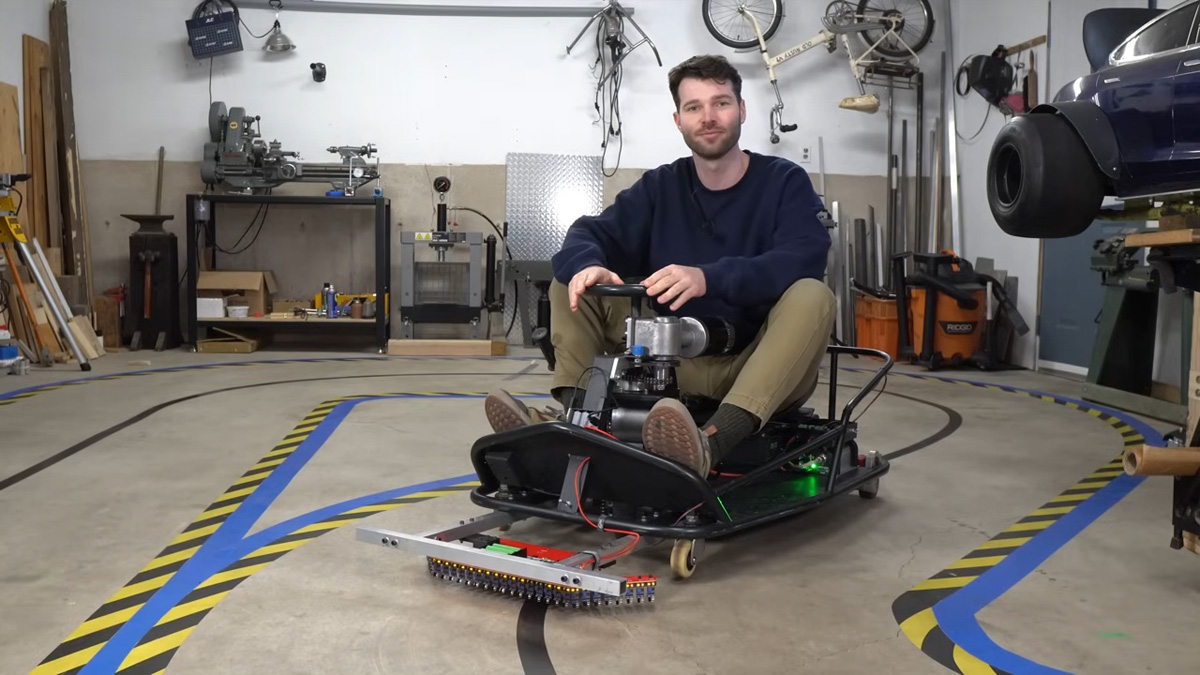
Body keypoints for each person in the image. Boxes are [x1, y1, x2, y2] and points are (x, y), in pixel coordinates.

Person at [484, 54, 836, 477]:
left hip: (756, 364)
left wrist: (709, 278)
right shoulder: (661, 186)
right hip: (671, 367)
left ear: (742, 110)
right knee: (571, 280)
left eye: (721, 103)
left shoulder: (784, 182)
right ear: (678, 120)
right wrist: (587, 265)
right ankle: (577, 420)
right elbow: (587, 234)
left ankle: (713, 443)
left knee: (813, 295)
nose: (708, 117)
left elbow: (804, 255)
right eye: (694, 107)